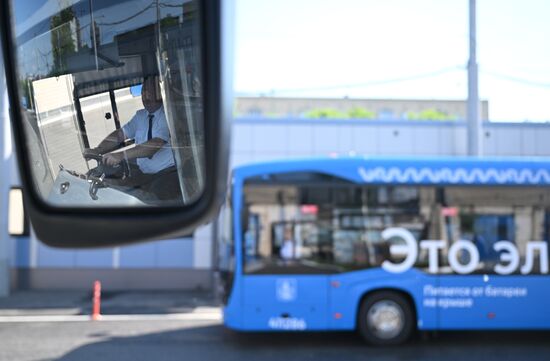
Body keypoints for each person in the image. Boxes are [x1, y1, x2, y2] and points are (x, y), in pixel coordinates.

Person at [83, 76, 181, 202]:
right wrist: (98, 150)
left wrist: (121, 155)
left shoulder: (167, 115)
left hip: (167, 173)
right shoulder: (140, 116)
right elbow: (120, 135)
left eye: (150, 93)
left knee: (148, 199)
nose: (146, 97)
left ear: (160, 94)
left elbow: (154, 145)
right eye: (143, 93)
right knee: (112, 184)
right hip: (144, 173)